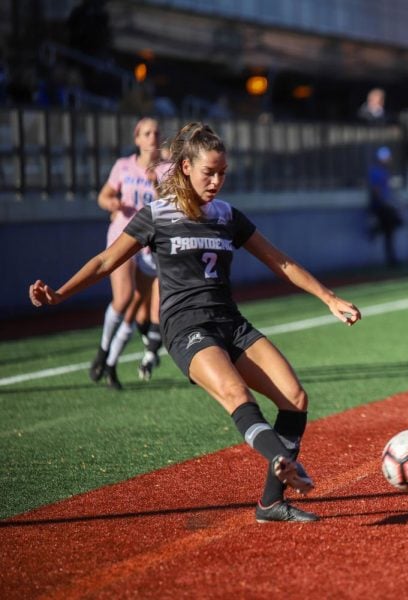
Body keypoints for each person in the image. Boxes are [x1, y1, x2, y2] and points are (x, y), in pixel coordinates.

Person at [29, 122, 362, 523]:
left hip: (230, 322)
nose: (217, 180)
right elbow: (104, 261)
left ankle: (271, 503)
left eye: (223, 173)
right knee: (237, 395)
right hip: (186, 328)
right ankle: (283, 464)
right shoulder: (157, 215)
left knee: (295, 398)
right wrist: (60, 293)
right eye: (210, 172)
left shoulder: (226, 216)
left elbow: (281, 261)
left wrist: (328, 298)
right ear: (185, 167)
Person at [89, 117, 169, 389]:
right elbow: (103, 196)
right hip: (123, 237)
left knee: (137, 305)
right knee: (122, 298)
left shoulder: (167, 169)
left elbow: (168, 206)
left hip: (149, 243)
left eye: (156, 132)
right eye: (146, 133)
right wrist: (111, 201)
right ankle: (102, 350)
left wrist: (156, 184)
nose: (152, 137)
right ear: (137, 138)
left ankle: (111, 363)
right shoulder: (123, 166)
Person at [367, 146, 403, 267]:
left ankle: (377, 229)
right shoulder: (376, 171)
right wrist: (383, 203)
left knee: (392, 228)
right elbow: (376, 190)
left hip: (385, 205)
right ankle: (376, 229)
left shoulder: (385, 171)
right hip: (381, 206)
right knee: (391, 227)